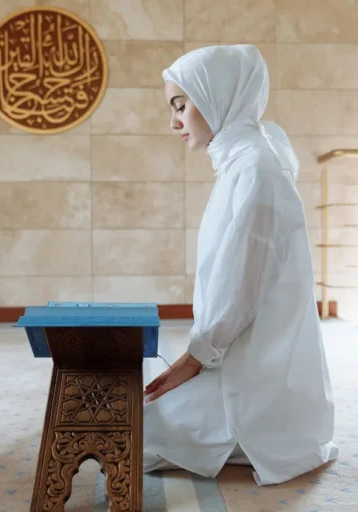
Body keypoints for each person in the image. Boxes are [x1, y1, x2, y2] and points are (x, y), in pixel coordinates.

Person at [141, 44, 338, 486]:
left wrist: (194, 360)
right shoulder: (242, 161)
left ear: (218, 97)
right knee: (129, 404)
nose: (173, 122)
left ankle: (243, 437)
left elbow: (241, 289)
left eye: (181, 105)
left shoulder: (256, 169)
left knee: (131, 429)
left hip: (252, 380)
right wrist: (194, 357)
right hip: (234, 358)